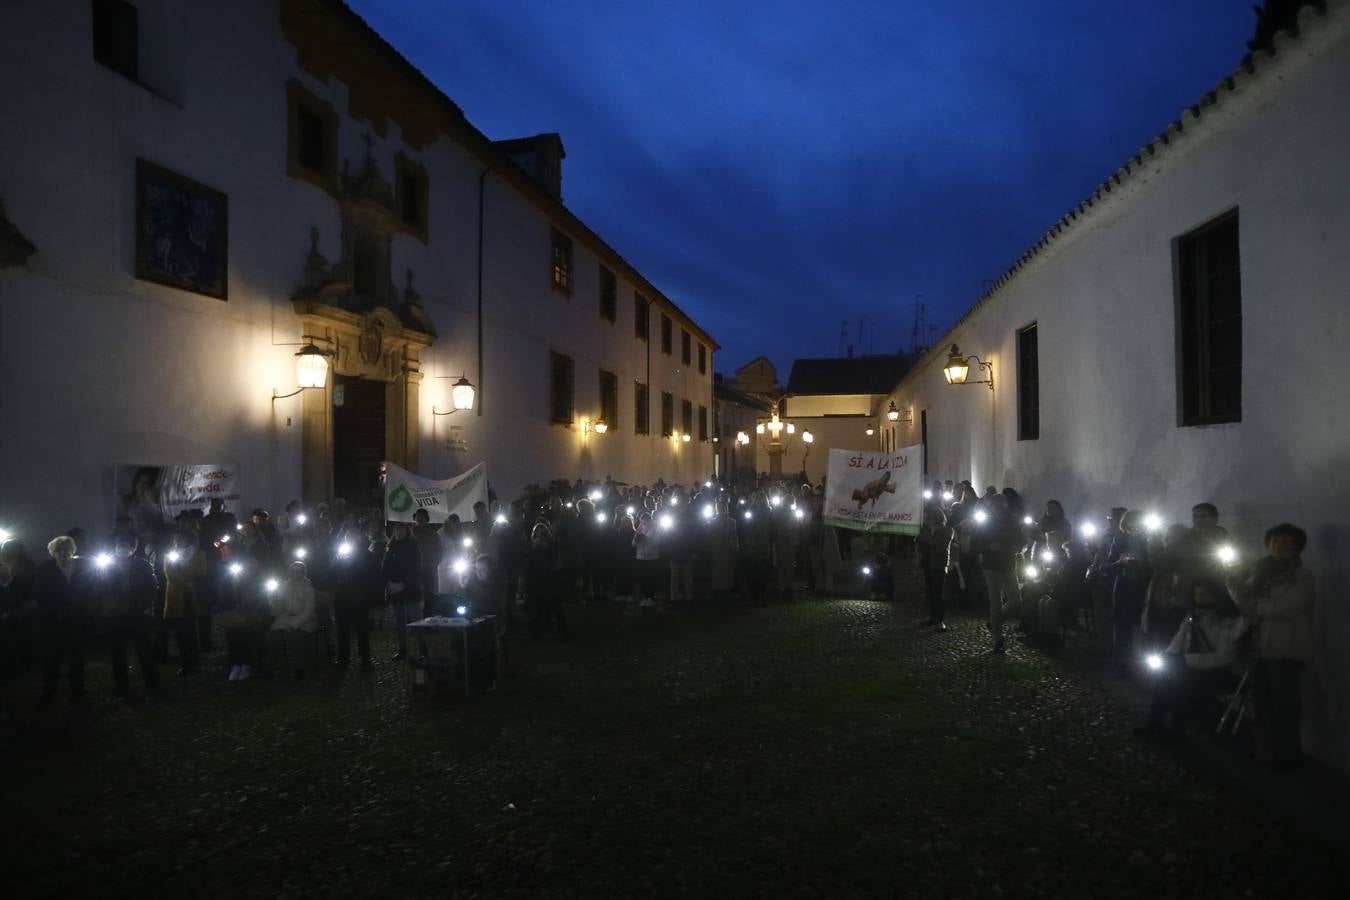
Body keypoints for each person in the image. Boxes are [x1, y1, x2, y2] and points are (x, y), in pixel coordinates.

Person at [1231, 523, 1316, 770]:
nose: (1279, 546)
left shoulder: (1303, 577)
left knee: (1284, 705)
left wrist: (1251, 603)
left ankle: (1287, 754)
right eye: (1275, 542)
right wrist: (1233, 582)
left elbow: (1281, 610)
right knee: (1261, 701)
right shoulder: (1258, 570)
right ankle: (1264, 751)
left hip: (1284, 647)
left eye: (1286, 543)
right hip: (1258, 645)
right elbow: (1243, 600)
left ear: (1297, 547)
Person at [1138, 580, 1247, 744]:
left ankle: (1176, 731)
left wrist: (1183, 661)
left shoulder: (1229, 622)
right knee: (1166, 676)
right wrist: (1168, 657)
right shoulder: (1192, 616)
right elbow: (1178, 641)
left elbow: (1224, 658)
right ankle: (1155, 723)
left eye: (1205, 594)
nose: (1199, 598)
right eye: (1197, 594)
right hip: (1192, 666)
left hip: (1223, 673)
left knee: (1185, 680)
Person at [94, 534, 162, 699]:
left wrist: (146, 606)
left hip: (136, 614)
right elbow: (96, 588)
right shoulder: (106, 565)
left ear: (134, 548)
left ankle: (153, 686)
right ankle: (122, 688)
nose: (123, 549)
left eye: (128, 546)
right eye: (120, 545)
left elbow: (152, 587)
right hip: (115, 615)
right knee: (118, 654)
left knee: (144, 651)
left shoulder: (143, 565)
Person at [32, 536, 92, 702]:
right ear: (53, 552)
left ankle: (77, 690)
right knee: (51, 659)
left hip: (77, 618)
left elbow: (91, 588)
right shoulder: (45, 568)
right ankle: (49, 690)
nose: (63, 553)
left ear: (72, 550)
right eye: (59, 550)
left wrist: (79, 605)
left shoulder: (84, 565)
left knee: (76, 658)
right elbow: (40, 593)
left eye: (66, 549)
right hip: (54, 620)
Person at [970, 493, 1022, 654]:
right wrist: (988, 547)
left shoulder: (1012, 520)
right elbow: (974, 544)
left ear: (1005, 504)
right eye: (996, 503)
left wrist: (1018, 547)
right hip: (991, 565)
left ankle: (994, 622)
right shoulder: (985, 522)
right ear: (992, 505)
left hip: (1008, 564)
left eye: (1002, 503)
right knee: (995, 603)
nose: (1000, 506)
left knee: (1015, 601)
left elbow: (1020, 538)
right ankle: (998, 639)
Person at [1102, 510, 1152, 659]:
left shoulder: (1150, 541)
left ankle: (1140, 661)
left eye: (1138, 523)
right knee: (1121, 625)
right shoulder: (1119, 540)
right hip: (1123, 586)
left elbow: (1156, 565)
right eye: (1131, 524)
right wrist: (1120, 563)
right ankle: (1122, 662)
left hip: (1142, 587)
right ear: (1125, 524)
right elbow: (1107, 567)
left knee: (1140, 625)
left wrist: (1143, 566)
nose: (1135, 527)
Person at [160, 529, 206, 677]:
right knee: (180, 633)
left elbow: (201, 572)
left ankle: (195, 662)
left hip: (192, 598)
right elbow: (170, 575)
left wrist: (184, 570)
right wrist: (188, 578)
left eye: (181, 539)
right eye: (176, 539)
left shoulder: (199, 554)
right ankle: (186, 663)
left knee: (192, 631)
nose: (178, 542)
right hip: (177, 597)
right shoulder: (169, 556)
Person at [265, 560, 317, 680]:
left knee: (296, 637)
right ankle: (270, 668)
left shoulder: (309, 589)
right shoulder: (283, 586)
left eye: (298, 572)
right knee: (272, 637)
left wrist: (295, 624)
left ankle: (299, 668)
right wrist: (273, 599)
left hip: (304, 621)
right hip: (285, 619)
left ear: (304, 573)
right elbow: (277, 607)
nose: (295, 574)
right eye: (293, 572)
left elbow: (308, 611)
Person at [383, 524, 422, 661]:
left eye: (402, 530)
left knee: (416, 623)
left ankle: (423, 650)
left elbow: (415, 569)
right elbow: (385, 568)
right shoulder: (391, 548)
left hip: (410, 591)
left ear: (407, 531)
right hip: (396, 592)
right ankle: (403, 650)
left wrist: (403, 584)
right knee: (400, 624)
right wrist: (389, 583)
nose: (400, 532)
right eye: (397, 530)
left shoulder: (413, 547)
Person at [526, 523, 569, 640]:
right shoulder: (532, 549)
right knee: (537, 609)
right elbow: (528, 565)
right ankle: (536, 633)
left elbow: (556, 561)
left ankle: (563, 632)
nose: (541, 536)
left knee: (555, 608)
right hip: (538, 581)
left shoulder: (552, 547)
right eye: (539, 534)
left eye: (543, 533)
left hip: (550, 580)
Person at [916, 506, 952, 630]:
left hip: (938, 565)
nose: (925, 519)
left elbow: (940, 547)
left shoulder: (947, 530)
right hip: (928, 564)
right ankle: (932, 617)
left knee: (938, 593)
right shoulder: (926, 530)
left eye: (927, 516)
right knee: (930, 592)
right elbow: (922, 544)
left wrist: (928, 540)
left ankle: (940, 620)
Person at [705, 498, 739, 604]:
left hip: (727, 548)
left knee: (727, 568)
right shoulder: (713, 522)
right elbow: (710, 536)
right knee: (717, 569)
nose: (722, 510)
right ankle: (717, 588)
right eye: (720, 508)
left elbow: (734, 536)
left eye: (723, 508)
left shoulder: (732, 521)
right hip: (717, 548)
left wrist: (735, 547)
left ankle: (727, 588)